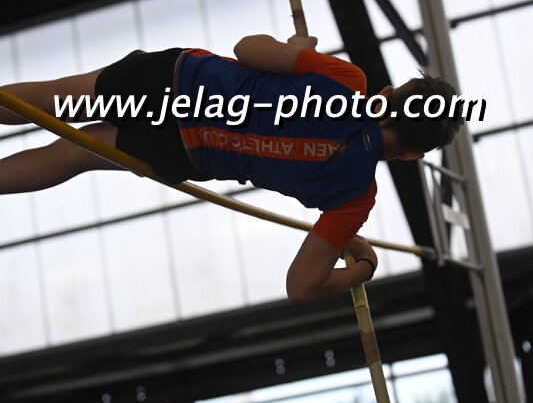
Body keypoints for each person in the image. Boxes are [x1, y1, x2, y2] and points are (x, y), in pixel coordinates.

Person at [0, 34, 462, 301]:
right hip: (184, 148)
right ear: (412, 155)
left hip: (178, 81)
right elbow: (302, 286)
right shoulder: (355, 197)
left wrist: (295, 49)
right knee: (74, 154)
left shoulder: (347, 79)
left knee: (49, 98)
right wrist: (364, 266)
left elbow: (247, 49)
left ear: (388, 95)